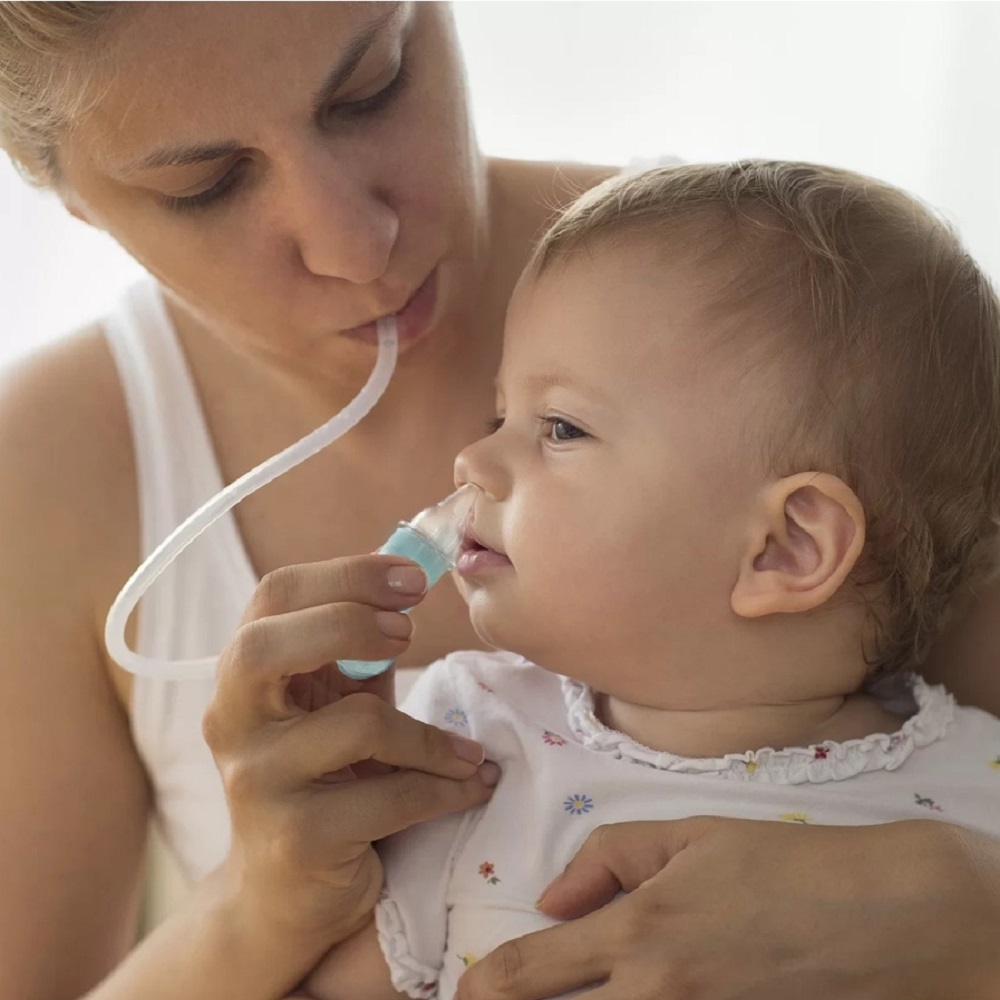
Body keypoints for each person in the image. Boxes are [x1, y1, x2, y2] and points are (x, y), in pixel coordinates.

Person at [0, 5, 997, 1000]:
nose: (357, 245)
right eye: (205, 183)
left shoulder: (829, 336)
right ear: (68, 194)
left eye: (372, 84)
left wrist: (968, 910)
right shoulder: (47, 473)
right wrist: (260, 906)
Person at [290, 160, 1000, 999]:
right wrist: (333, 851)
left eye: (559, 426)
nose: (474, 458)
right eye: (500, 416)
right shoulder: (466, 742)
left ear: (786, 548)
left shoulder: (973, 791)